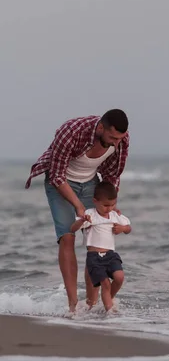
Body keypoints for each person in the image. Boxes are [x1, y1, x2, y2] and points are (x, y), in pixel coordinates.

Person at [25, 109, 130, 314]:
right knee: (67, 237)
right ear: (100, 128)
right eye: (112, 137)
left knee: (96, 244)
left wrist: (109, 203)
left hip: (90, 183)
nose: (116, 143)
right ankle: (73, 305)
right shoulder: (71, 132)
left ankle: (91, 305)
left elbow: (112, 174)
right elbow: (56, 175)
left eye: (120, 139)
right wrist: (78, 206)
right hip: (61, 183)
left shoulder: (121, 140)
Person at [70, 181, 132, 312]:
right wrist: (82, 220)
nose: (109, 208)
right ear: (95, 201)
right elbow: (73, 228)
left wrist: (122, 228)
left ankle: (108, 298)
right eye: (105, 205)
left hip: (110, 255)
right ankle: (109, 313)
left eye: (113, 204)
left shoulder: (115, 215)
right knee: (105, 284)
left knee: (119, 277)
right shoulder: (90, 215)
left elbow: (128, 228)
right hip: (94, 258)